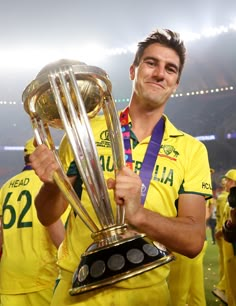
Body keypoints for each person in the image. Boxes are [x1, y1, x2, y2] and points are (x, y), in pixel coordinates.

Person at [29, 28, 212, 306]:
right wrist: (52, 186)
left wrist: (139, 215)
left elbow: (193, 241)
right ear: (133, 70)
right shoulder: (83, 130)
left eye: (170, 69)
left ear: (175, 83)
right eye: (151, 63)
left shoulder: (191, 150)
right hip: (78, 290)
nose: (160, 73)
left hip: (146, 292)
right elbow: (47, 214)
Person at [0, 138, 66, 306]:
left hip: (9, 280)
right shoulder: (53, 186)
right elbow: (56, 230)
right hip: (43, 278)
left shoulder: (5, 188)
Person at [215, 169, 236, 306]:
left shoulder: (227, 200)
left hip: (231, 244)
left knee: (232, 278)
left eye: (228, 180)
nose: (225, 182)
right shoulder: (228, 200)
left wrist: (223, 230)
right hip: (228, 239)